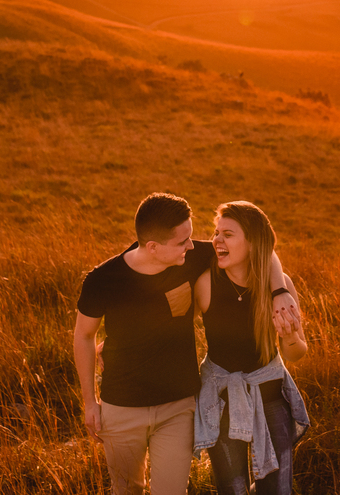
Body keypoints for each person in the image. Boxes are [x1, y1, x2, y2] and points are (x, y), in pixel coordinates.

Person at [73, 193, 299, 495]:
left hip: (177, 407)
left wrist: (280, 290)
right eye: (183, 241)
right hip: (122, 406)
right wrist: (91, 398)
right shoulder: (103, 279)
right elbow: (84, 335)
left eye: (192, 237)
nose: (194, 245)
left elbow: (262, 246)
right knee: (126, 489)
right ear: (153, 247)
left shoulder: (190, 258)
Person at [193, 201, 310, 495]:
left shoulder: (279, 286)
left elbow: (295, 354)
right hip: (220, 400)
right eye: (216, 232)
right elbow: (170, 328)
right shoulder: (206, 283)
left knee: (278, 489)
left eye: (228, 234)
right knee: (232, 488)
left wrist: (292, 335)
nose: (217, 240)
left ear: (252, 243)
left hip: (271, 396)